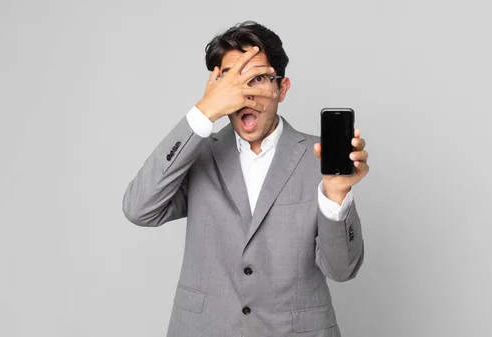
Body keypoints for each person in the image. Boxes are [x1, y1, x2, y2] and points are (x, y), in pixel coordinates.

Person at [122, 20, 369, 337]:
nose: (246, 95)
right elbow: (139, 208)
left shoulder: (319, 158)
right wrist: (204, 111)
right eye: (232, 83)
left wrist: (336, 196)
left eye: (258, 79)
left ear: (282, 88)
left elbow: (342, 269)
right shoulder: (195, 154)